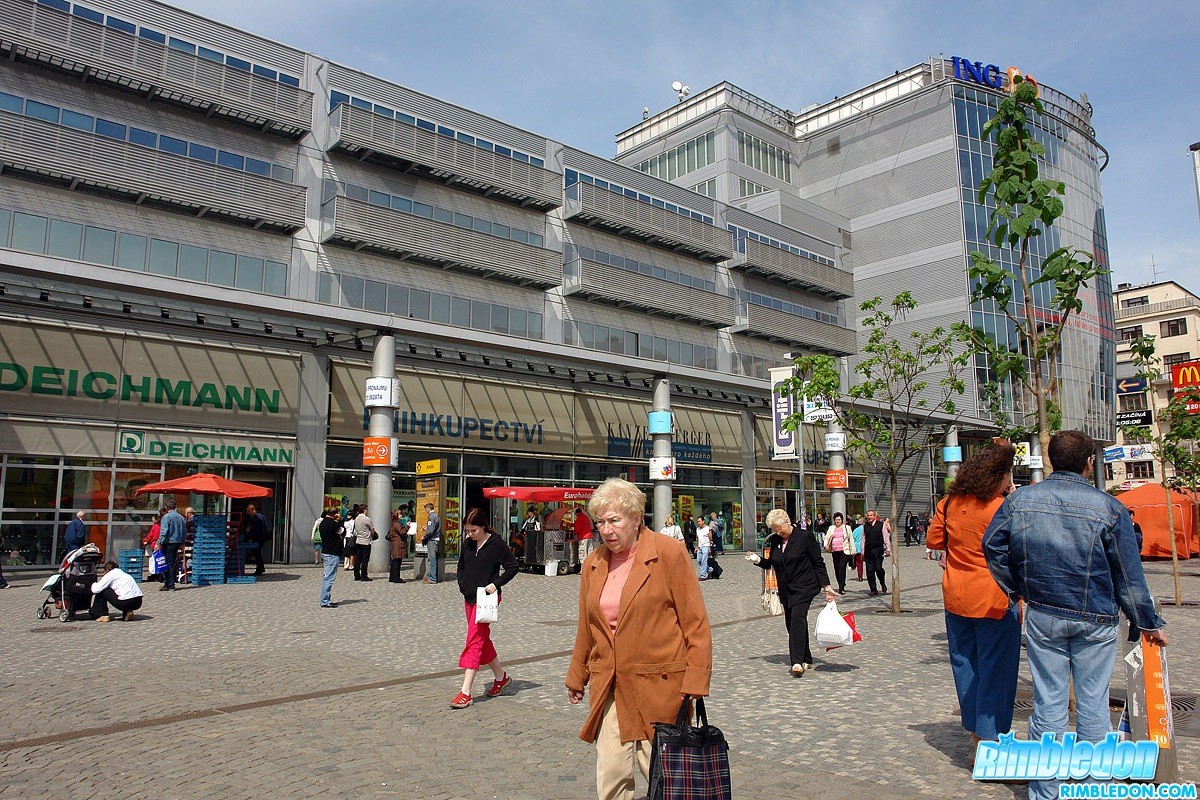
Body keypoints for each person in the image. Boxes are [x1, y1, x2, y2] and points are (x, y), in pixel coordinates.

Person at [983, 431, 1168, 800]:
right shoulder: (1109, 507)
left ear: (1051, 460)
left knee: (1048, 705)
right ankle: (1092, 790)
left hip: (1044, 613)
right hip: (1095, 619)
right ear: (1089, 462)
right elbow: (1129, 576)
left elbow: (992, 545)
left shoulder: (1020, 501)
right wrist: (1147, 622)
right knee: (1093, 708)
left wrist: (1018, 586)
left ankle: (1045, 792)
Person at [566, 478, 711, 800]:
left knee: (661, 772)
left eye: (614, 520)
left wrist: (695, 680)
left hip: (659, 685)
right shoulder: (593, 563)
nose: (606, 530)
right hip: (611, 685)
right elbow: (587, 626)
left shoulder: (667, 553)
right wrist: (577, 676)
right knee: (612, 774)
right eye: (600, 522)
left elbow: (695, 622)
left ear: (635, 518)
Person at [925, 441, 1020, 752]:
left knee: (965, 665)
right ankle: (989, 741)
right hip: (994, 597)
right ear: (1000, 477)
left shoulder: (949, 503)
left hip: (956, 594)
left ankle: (976, 734)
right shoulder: (1001, 506)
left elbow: (934, 539)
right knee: (996, 669)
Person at [748, 509, 837, 675]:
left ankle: (796, 662)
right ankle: (806, 657)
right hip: (785, 588)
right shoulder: (775, 540)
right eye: (774, 530)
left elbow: (818, 563)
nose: (777, 532)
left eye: (779, 528)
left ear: (787, 522)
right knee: (792, 623)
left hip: (805, 586)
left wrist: (826, 587)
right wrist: (757, 560)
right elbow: (771, 563)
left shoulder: (804, 537)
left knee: (797, 618)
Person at [451, 507, 519, 709]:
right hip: (469, 597)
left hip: (487, 599)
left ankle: (465, 691)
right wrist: (462, 584)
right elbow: (461, 566)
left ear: (483, 526)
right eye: (467, 530)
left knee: (474, 640)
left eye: (473, 530)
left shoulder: (496, 544)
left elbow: (513, 566)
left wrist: (496, 584)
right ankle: (501, 677)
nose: (470, 534)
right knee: (482, 639)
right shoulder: (467, 544)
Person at [317, 507, 344, 608]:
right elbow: (342, 531)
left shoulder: (323, 523)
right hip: (332, 553)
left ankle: (325, 599)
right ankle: (325, 600)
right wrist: (340, 520)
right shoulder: (333, 524)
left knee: (326, 576)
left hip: (326, 551)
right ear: (335, 514)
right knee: (329, 578)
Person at [155, 506, 186, 591]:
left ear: (167, 507)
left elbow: (164, 532)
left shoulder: (166, 517)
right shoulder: (181, 517)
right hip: (177, 542)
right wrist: (183, 542)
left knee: (168, 563)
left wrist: (159, 542)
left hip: (168, 542)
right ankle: (168, 583)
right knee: (171, 562)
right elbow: (184, 531)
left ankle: (170, 584)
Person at [822, 512, 853, 594]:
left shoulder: (847, 528)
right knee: (836, 569)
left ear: (842, 520)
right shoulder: (831, 528)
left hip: (844, 551)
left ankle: (841, 588)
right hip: (835, 551)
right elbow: (826, 538)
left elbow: (851, 540)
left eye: (839, 519)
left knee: (842, 568)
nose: (837, 521)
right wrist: (825, 545)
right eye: (836, 520)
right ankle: (841, 583)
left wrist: (853, 551)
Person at [862, 509, 888, 596]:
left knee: (878, 568)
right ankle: (873, 589)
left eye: (871, 515)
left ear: (875, 516)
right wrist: (862, 551)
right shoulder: (865, 526)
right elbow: (863, 539)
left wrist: (888, 549)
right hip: (868, 550)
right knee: (869, 571)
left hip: (878, 549)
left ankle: (882, 583)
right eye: (868, 515)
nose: (869, 517)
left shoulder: (881, 525)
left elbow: (886, 537)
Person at [242, 503, 268, 576]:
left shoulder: (255, 518)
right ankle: (261, 568)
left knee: (256, 553)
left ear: (253, 510)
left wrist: (249, 532)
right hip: (262, 537)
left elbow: (256, 530)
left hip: (258, 538)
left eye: (248, 511)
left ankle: (259, 569)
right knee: (258, 553)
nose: (247, 513)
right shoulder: (261, 516)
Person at [352, 507, 377, 581]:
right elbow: (372, 529)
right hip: (366, 541)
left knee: (358, 559)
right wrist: (372, 535)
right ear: (364, 510)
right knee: (365, 560)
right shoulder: (366, 519)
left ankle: (356, 575)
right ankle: (364, 575)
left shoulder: (356, 519)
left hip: (358, 540)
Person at [422, 502, 442, 584]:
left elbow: (431, 531)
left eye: (426, 509)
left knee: (431, 559)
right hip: (436, 539)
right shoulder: (436, 516)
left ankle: (432, 578)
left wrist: (424, 536)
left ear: (428, 508)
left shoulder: (431, 517)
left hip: (432, 540)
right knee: (432, 559)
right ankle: (432, 577)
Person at [387, 509, 409, 583]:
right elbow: (402, 532)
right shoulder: (396, 524)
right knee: (397, 561)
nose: (401, 516)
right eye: (399, 514)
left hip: (396, 544)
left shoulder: (394, 523)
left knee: (395, 561)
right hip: (398, 544)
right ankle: (396, 578)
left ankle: (392, 577)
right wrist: (407, 526)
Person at [142, 510, 163, 582]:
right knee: (160, 560)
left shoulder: (155, 526)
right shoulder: (162, 526)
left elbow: (151, 535)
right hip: (161, 544)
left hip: (155, 544)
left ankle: (155, 575)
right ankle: (159, 575)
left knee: (153, 560)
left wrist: (146, 540)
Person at [695, 515, 712, 579]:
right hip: (700, 546)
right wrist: (696, 547)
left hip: (706, 546)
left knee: (704, 560)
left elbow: (710, 537)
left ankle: (703, 575)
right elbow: (698, 538)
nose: (698, 523)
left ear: (703, 521)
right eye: (697, 522)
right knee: (699, 560)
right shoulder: (698, 529)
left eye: (699, 521)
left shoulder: (707, 528)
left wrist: (710, 545)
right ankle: (709, 569)